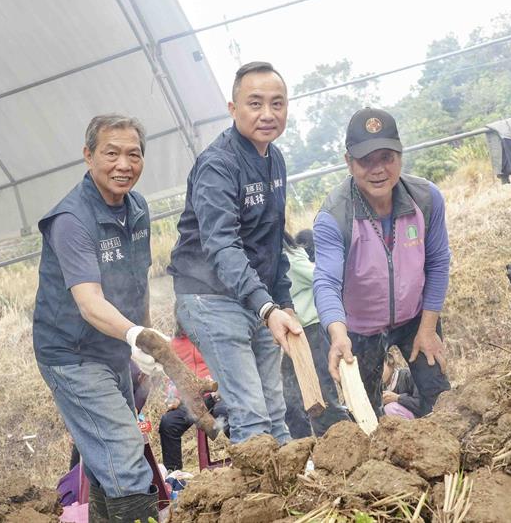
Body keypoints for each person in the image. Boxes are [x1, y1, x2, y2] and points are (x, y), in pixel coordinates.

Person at [33, 114, 168, 522]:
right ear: (88, 155)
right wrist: (133, 335)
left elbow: (137, 281)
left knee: (103, 459)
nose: (123, 165)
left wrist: (141, 347)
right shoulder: (72, 219)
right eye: (111, 153)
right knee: (125, 454)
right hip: (71, 353)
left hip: (112, 348)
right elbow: (90, 303)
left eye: (134, 154)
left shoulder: (137, 208)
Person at [169, 62, 302, 445]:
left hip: (255, 297)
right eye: (255, 103)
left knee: (275, 408)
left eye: (277, 104)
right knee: (250, 412)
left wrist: (284, 301)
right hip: (210, 297)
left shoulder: (274, 159)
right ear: (233, 109)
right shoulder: (218, 165)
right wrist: (266, 306)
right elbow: (220, 245)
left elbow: (272, 237)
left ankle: (294, 499)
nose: (267, 114)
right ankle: (261, 501)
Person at [313, 107, 452, 418]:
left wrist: (428, 329)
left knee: (441, 399)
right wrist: (338, 334)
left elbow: (439, 263)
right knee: (366, 414)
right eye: (365, 161)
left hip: (416, 316)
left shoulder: (426, 199)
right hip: (359, 327)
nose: (378, 170)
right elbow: (326, 282)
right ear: (349, 162)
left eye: (387, 158)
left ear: (400, 156)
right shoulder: (334, 215)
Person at [280, 231, 351, 438]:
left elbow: (322, 277)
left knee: (321, 396)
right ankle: (303, 446)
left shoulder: (290, 259)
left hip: (312, 331)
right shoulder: (277, 260)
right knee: (291, 399)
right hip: (295, 336)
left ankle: (345, 442)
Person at [158, 330, 228, 472]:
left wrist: (223, 385)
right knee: (168, 423)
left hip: (220, 393)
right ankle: (174, 475)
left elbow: (229, 363)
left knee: (226, 412)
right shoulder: (174, 344)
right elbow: (171, 377)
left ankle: (244, 455)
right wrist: (174, 397)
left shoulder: (214, 333)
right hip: (191, 399)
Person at [381, 349, 420, 420]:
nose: (378, 374)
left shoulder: (408, 376)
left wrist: (397, 398)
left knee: (390, 409)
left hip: (419, 421)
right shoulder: (379, 388)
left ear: (390, 360)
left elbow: (423, 404)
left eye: (379, 367)